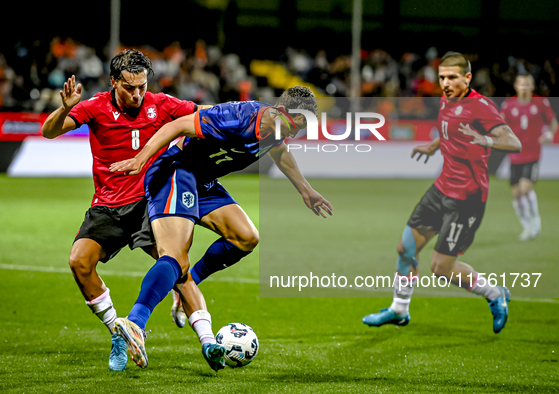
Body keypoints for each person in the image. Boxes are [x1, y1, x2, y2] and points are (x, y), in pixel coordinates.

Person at [109, 86, 333, 369]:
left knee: (246, 237)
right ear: (280, 112)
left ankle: (185, 289)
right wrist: (142, 159)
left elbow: (280, 151)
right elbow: (178, 125)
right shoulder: (238, 116)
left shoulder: (275, 131)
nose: (295, 133)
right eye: (294, 125)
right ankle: (135, 323)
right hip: (176, 170)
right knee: (176, 256)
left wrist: (305, 190)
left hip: (203, 181)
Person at [41, 49, 215, 371]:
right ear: (113, 83)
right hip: (108, 205)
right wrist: (63, 108)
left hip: (151, 202)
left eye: (142, 87)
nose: (137, 95)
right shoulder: (95, 107)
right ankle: (120, 335)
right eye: (129, 88)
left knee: (177, 264)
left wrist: (248, 115)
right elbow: (49, 131)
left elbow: (204, 112)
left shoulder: (161, 103)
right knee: (79, 261)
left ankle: (209, 341)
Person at [362, 52, 522, 334]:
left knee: (441, 267)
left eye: (452, 78)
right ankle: (399, 310)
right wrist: (434, 145)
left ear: (467, 78)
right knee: (406, 248)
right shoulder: (447, 101)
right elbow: (452, 129)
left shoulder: (481, 106)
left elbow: (513, 142)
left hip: (467, 199)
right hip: (440, 188)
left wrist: (484, 139)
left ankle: (495, 294)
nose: (446, 83)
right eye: (442, 78)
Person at [500, 73, 558, 240]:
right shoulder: (509, 104)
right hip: (515, 154)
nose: (524, 87)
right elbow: (501, 124)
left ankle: (535, 222)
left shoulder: (541, 103)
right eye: (521, 84)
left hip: (533, 153)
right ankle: (527, 226)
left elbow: (553, 122)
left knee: (525, 188)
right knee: (516, 193)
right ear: (516, 86)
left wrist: (548, 135)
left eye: (527, 84)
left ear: (532, 86)